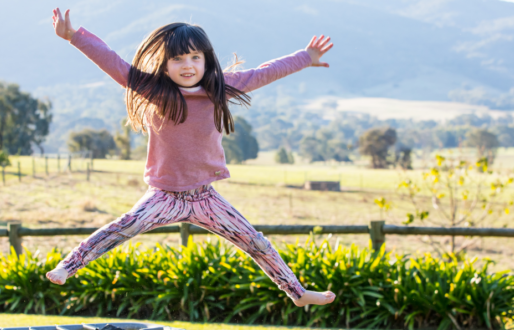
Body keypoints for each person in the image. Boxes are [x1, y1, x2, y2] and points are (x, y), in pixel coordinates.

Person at [46, 7, 336, 307]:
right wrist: (73, 36)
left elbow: (264, 72)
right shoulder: (156, 91)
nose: (188, 65)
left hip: (205, 198)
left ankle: (298, 294)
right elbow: (114, 64)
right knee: (124, 227)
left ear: (206, 61)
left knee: (255, 242)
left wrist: (306, 57)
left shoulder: (220, 88)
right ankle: (68, 266)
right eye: (178, 58)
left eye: (195, 57)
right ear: (166, 65)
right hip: (164, 196)